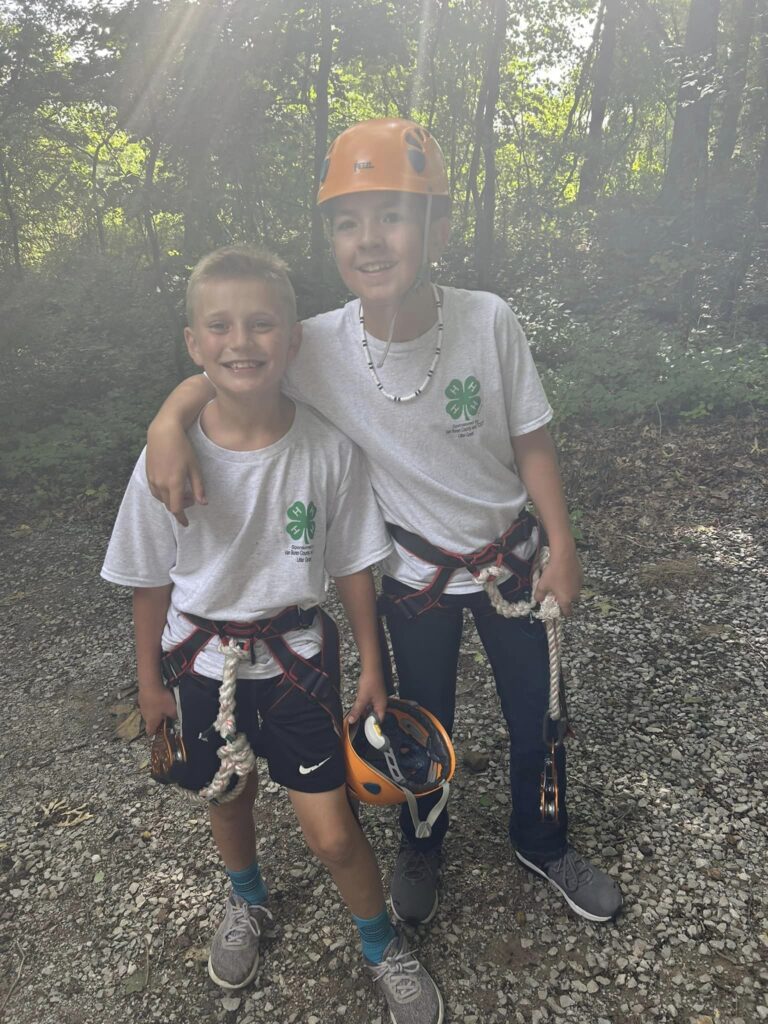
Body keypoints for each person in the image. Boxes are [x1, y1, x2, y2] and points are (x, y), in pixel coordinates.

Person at [144, 120, 623, 928]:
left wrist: (564, 542)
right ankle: (422, 842)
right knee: (410, 717)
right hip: (413, 579)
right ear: (332, 238)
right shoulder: (320, 344)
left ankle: (542, 841)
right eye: (347, 222)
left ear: (435, 228)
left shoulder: (488, 321)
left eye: (393, 216)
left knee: (539, 708)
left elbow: (531, 440)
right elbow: (227, 369)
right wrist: (168, 423)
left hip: (512, 559)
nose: (370, 240)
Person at [101, 245, 444, 1024]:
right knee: (228, 795)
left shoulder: (326, 449)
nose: (240, 341)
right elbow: (150, 580)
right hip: (197, 663)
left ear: (292, 340)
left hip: (295, 664)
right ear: (194, 344)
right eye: (218, 326)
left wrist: (370, 662)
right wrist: (150, 683)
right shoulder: (165, 461)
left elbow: (355, 562)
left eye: (261, 324)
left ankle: (381, 943)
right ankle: (247, 902)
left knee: (331, 833)